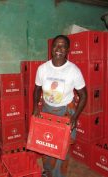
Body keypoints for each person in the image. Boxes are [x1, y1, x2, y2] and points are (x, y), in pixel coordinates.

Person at [32, 35, 87, 177]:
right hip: (47, 110)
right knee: (46, 143)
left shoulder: (73, 70)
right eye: (56, 45)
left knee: (62, 149)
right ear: (52, 48)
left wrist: (75, 116)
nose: (59, 49)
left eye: (63, 46)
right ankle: (47, 172)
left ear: (67, 49)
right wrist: (36, 107)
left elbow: (84, 95)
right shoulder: (43, 69)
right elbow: (37, 89)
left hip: (65, 111)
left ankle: (58, 175)